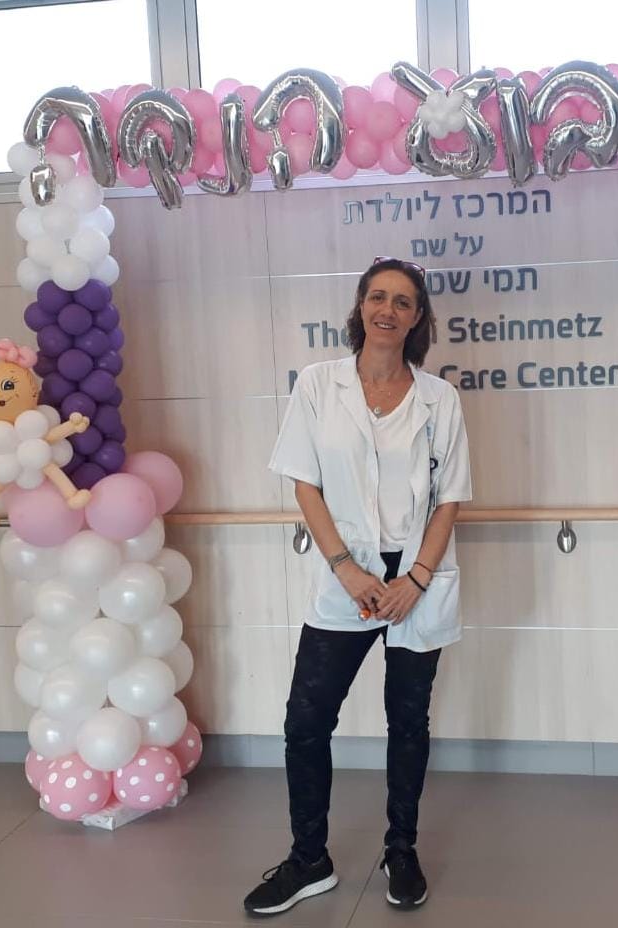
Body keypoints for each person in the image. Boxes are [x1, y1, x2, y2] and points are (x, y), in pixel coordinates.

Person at [244, 258, 471, 916]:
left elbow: (450, 498)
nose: (387, 310)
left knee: (408, 721)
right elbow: (305, 483)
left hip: (417, 578)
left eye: (402, 301)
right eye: (377, 296)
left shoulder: (440, 399)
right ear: (360, 307)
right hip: (348, 575)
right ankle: (309, 860)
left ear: (418, 317)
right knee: (306, 721)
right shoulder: (320, 385)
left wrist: (416, 580)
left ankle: (401, 850)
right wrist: (345, 568)